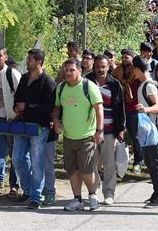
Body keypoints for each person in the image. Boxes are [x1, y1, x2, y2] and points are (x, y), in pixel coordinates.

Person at [52, 58, 104, 211]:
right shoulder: (61, 88)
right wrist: (55, 120)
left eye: (71, 70)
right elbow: (56, 107)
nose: (68, 73)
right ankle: (77, 199)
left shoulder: (89, 87)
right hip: (68, 136)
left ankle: (93, 196)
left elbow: (99, 109)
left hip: (87, 136)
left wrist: (99, 130)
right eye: (66, 70)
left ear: (79, 71)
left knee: (86, 170)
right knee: (72, 170)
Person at [11, 49, 56, 209]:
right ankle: (28, 190)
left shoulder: (48, 82)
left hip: (39, 128)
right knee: (16, 159)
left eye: (29, 59)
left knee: (37, 163)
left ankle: (37, 197)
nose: (27, 62)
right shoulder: (24, 78)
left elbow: (48, 108)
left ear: (38, 62)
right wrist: (16, 107)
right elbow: (17, 98)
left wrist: (27, 107)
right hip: (21, 125)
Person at [87, 55, 126, 206]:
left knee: (109, 163)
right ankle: (93, 192)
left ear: (109, 67)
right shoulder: (87, 82)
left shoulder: (115, 84)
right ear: (94, 66)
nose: (100, 70)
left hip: (109, 130)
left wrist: (121, 128)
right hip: (90, 130)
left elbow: (120, 108)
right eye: (97, 66)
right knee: (92, 162)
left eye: (103, 67)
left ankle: (109, 193)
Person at [0, 45, 21, 193]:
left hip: (10, 120)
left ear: (5, 57)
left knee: (14, 153)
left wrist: (15, 114)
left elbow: (21, 94)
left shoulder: (12, 74)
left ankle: (14, 185)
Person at [133, 56, 158, 208]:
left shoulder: (149, 86)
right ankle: (155, 193)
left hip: (155, 130)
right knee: (149, 162)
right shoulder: (142, 85)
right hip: (148, 130)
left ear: (137, 69)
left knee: (156, 163)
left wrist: (145, 109)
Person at [113, 49, 143, 174]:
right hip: (120, 108)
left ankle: (138, 162)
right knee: (119, 136)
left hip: (134, 109)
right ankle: (120, 163)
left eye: (127, 57)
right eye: (123, 57)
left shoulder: (137, 73)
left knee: (136, 137)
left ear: (132, 58)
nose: (124, 59)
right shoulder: (116, 72)